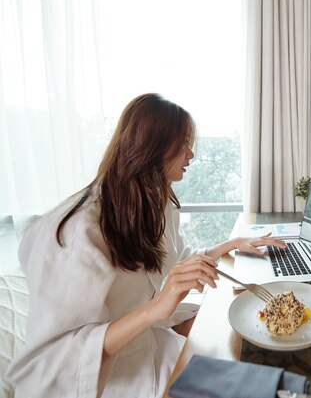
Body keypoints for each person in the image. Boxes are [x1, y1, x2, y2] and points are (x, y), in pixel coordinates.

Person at [6, 93, 286, 398]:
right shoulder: (75, 234)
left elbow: (175, 260)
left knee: (236, 332)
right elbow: (55, 363)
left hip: (147, 337)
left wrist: (232, 244)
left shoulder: (155, 202)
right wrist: (154, 309)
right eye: (182, 145)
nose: (190, 155)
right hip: (109, 375)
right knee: (238, 363)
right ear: (150, 147)